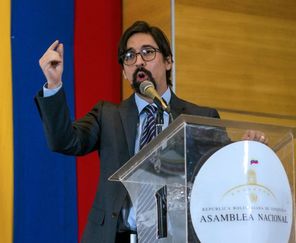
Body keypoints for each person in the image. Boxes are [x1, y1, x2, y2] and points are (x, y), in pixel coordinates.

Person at [35, 21, 266, 243]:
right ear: (125, 72)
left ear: (168, 61)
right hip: (116, 237)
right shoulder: (107, 115)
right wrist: (54, 85)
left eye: (147, 52)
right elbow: (64, 141)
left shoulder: (199, 118)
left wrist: (246, 152)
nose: (139, 62)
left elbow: (224, 175)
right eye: (130, 56)